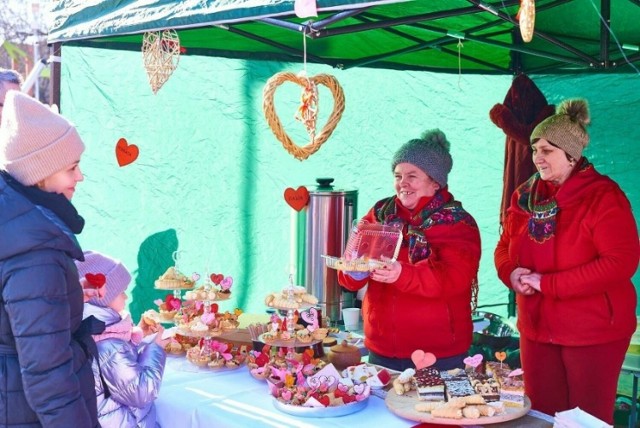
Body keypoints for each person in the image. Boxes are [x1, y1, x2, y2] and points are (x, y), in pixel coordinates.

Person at [494, 98, 639, 424]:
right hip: (536, 327)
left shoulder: (603, 196)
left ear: (571, 154)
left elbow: (620, 262)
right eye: (534, 148)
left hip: (591, 331)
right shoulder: (525, 195)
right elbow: (504, 244)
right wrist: (511, 272)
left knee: (586, 419)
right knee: (543, 414)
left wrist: (549, 284)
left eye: (548, 149)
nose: (537, 157)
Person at [338, 129, 482, 372]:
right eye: (398, 175)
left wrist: (401, 274)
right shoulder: (381, 213)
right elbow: (348, 270)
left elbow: (452, 279)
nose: (402, 183)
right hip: (381, 349)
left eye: (412, 176)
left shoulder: (457, 223)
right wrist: (355, 271)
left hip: (438, 353)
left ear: (435, 182)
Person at [0, 90, 100, 426]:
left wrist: (66, 295)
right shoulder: (35, 251)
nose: (80, 177)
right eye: (72, 167)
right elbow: (48, 375)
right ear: (40, 171)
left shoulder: (16, 222)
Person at [76, 251, 169, 428]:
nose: (126, 297)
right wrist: (156, 348)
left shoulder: (95, 331)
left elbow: (118, 369)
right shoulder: (109, 344)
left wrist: (139, 332)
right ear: (102, 298)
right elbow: (141, 392)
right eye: (121, 292)